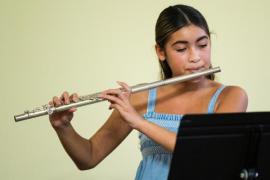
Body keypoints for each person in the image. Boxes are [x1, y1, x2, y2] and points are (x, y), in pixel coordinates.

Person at [49, 4, 248, 180]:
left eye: (203, 45)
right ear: (161, 52)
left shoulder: (231, 96)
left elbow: (208, 154)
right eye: (181, 49)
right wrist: (63, 127)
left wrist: (139, 122)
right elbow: (89, 158)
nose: (195, 57)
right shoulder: (141, 98)